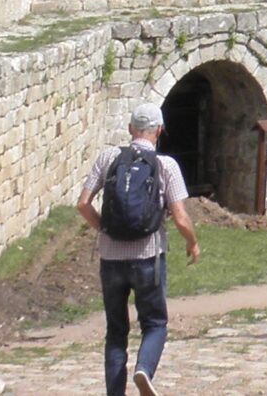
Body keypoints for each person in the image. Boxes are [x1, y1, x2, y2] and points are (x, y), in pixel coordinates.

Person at [78, 102, 199, 396]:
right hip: (148, 256)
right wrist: (192, 243)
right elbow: (180, 216)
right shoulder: (166, 165)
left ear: (131, 129)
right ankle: (144, 370)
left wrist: (105, 229)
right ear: (159, 130)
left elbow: (82, 204)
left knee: (116, 332)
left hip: (111, 258)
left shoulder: (108, 157)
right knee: (155, 322)